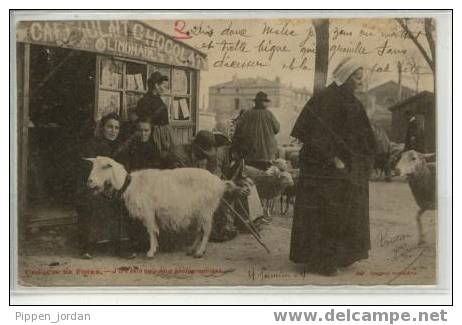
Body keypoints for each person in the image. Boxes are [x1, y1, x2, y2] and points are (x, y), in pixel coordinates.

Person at [289, 57, 376, 276]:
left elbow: (362, 136)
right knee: (326, 213)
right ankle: (320, 261)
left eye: (361, 77)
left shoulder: (352, 101)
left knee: (346, 212)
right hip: (324, 170)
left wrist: (363, 160)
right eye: (357, 77)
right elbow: (316, 136)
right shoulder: (326, 99)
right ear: (346, 77)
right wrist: (334, 159)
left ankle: (341, 256)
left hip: (346, 169)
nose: (360, 81)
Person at [76, 113, 132, 259]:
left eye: (116, 128)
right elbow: (88, 169)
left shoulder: (122, 146)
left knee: (121, 202)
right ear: (103, 128)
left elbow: (124, 171)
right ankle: (87, 246)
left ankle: (121, 246)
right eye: (110, 127)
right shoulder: (92, 144)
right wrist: (100, 186)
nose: (113, 131)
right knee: (91, 200)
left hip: (114, 186)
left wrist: (114, 186)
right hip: (95, 185)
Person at [136, 71, 178, 166]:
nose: (165, 89)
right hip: (153, 137)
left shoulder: (155, 99)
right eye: (164, 86)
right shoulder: (145, 101)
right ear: (156, 85)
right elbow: (143, 122)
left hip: (159, 136)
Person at [233, 91, 280, 162]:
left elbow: (238, 128)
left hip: (250, 154)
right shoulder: (269, 114)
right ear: (264, 102)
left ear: (255, 102)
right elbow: (277, 129)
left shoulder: (247, 114)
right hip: (267, 154)